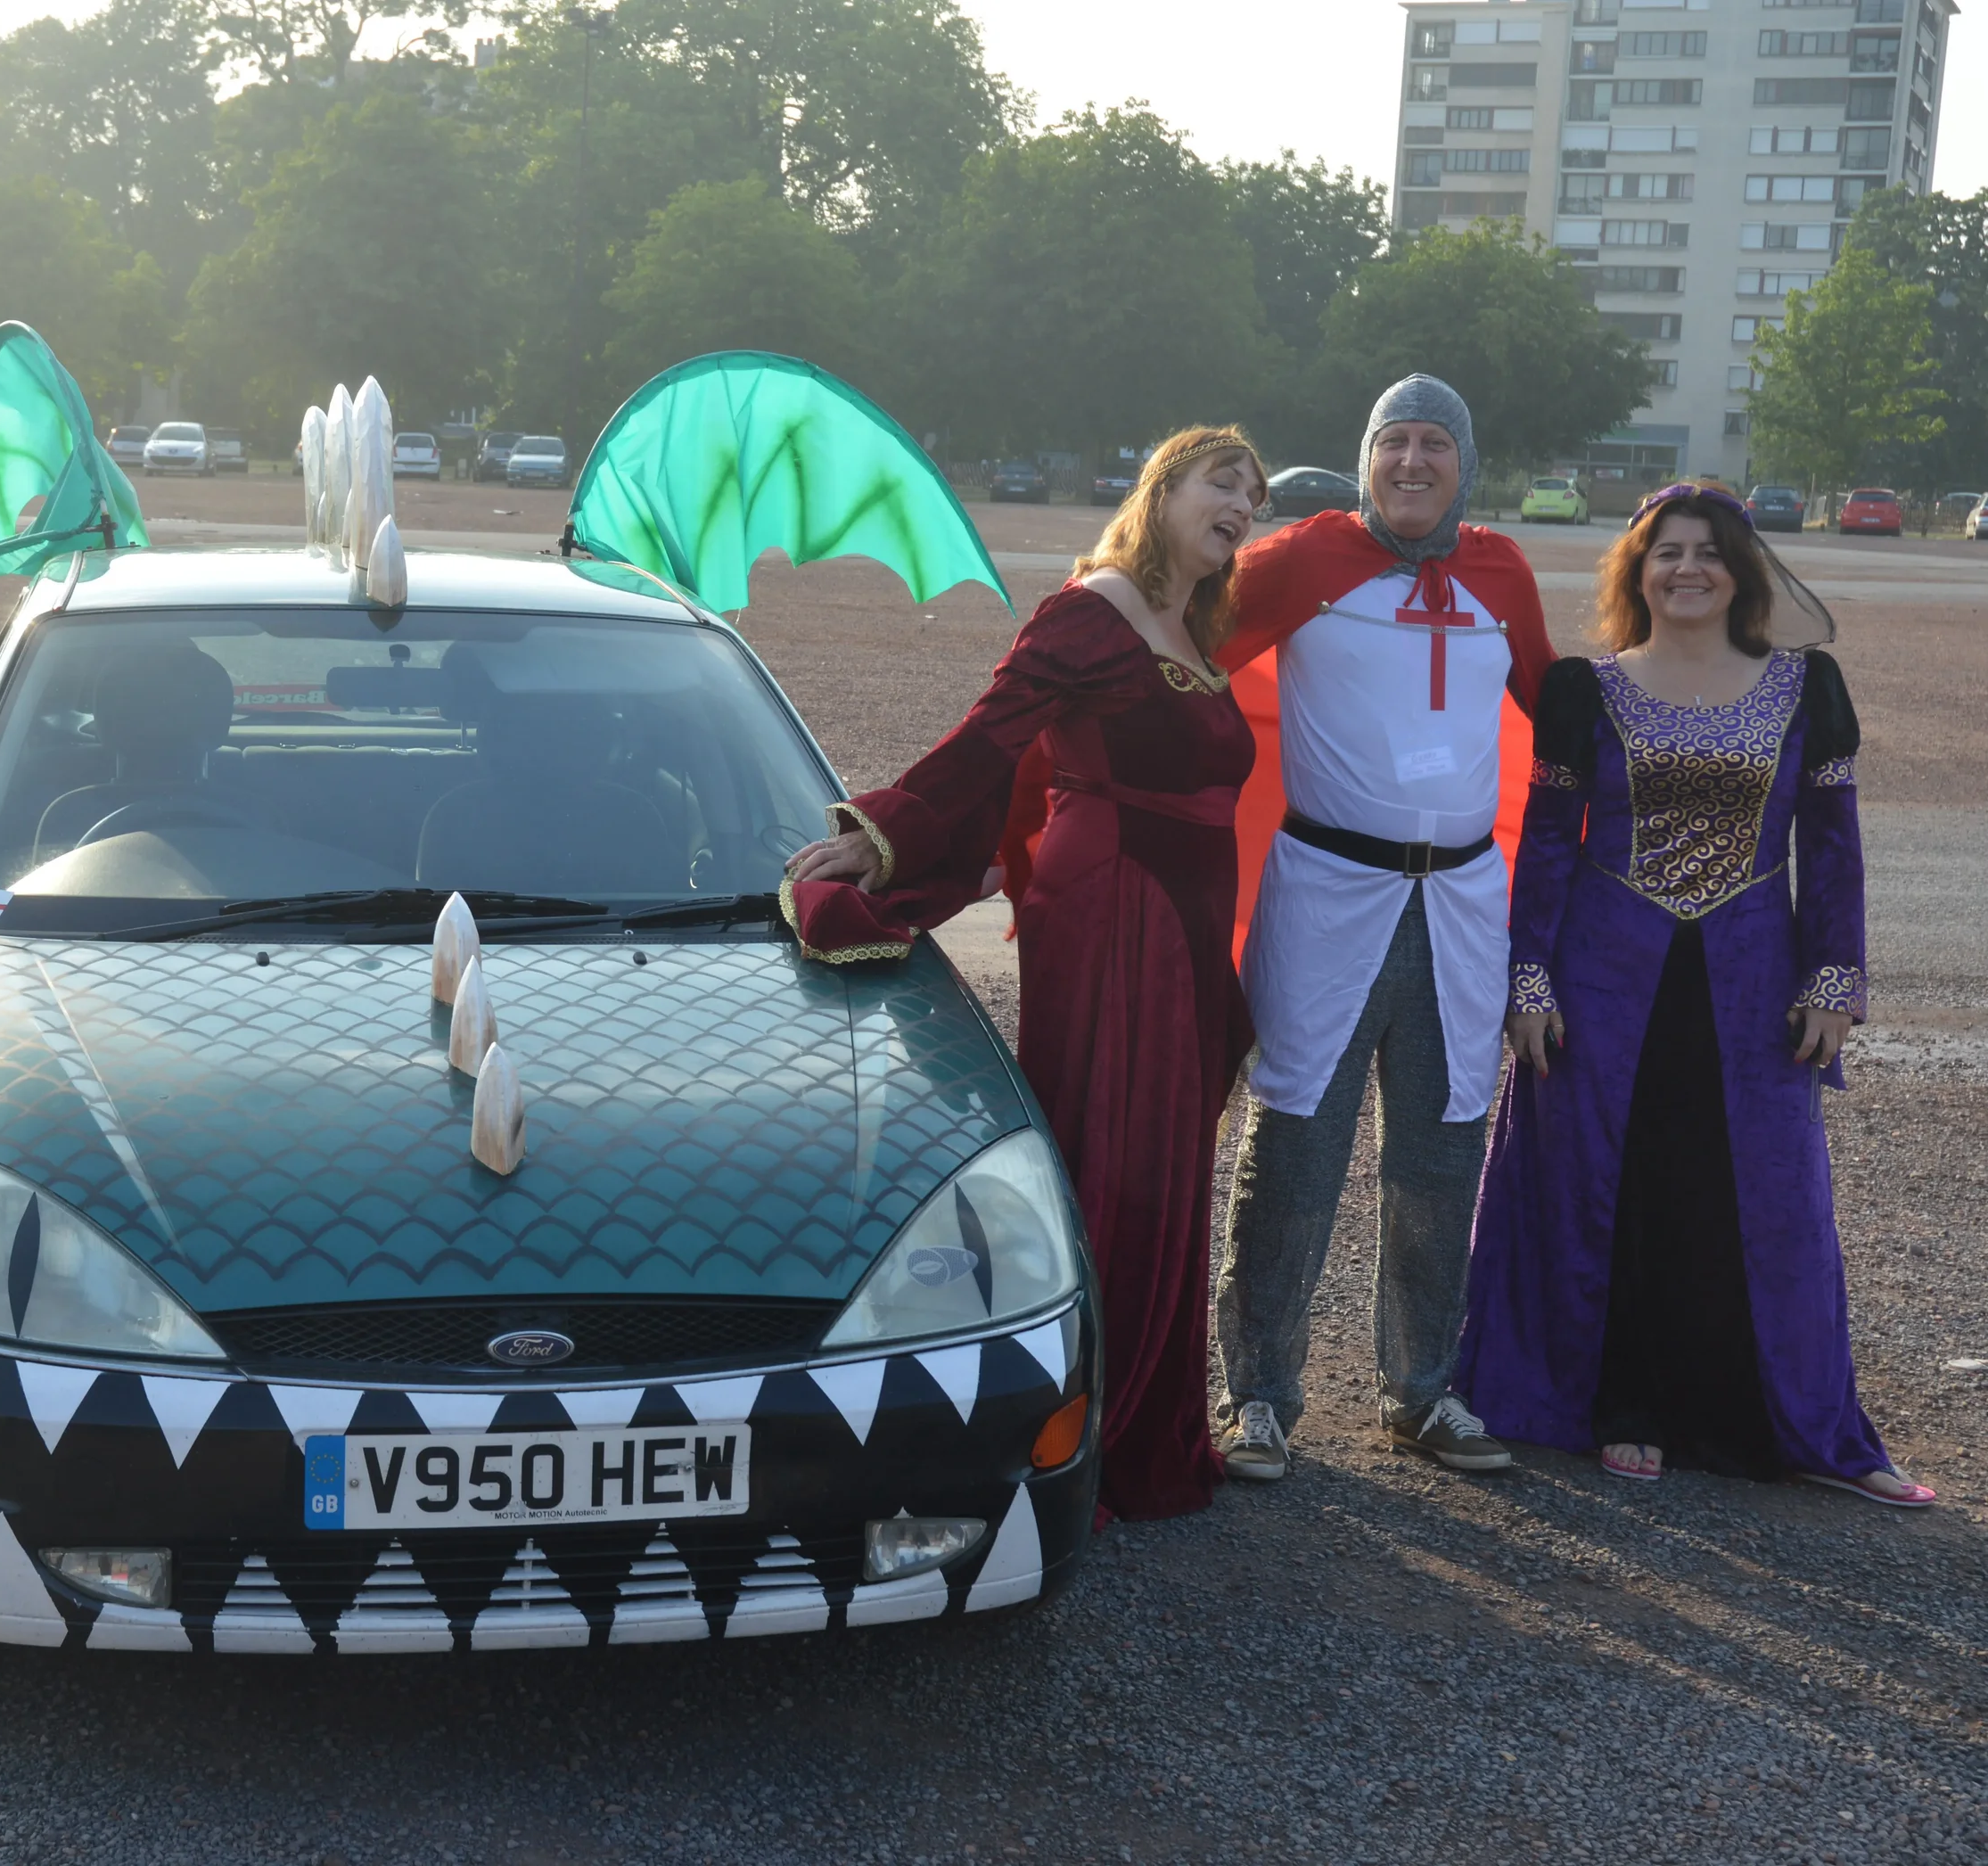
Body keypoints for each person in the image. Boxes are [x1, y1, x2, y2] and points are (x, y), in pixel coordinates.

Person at [784, 427, 1268, 1520]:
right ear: (1162, 491)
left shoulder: (1189, 628)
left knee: (1168, 1164)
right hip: (1115, 912)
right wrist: (884, 835)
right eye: (1220, 480)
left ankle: (1151, 1425)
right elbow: (987, 736)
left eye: (1255, 493)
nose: (1241, 501)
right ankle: (1074, 1429)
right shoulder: (1092, 609)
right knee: (1116, 1157)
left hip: (1183, 926)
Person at [1457, 485, 1932, 1506]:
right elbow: (1545, 848)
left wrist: (1834, 977)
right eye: (1664, 551)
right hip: (1601, 970)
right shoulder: (1585, 689)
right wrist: (1527, 979)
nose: (1685, 568)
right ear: (1635, 568)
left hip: (1753, 970)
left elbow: (1833, 849)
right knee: (1609, 1183)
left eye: (1707, 552)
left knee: (1755, 1191)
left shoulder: (1808, 687)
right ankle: (1621, 1405)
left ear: (1740, 569)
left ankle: (1769, 1418)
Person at [1207, 376, 1557, 1480]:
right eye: (1391, 442)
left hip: (1459, 901)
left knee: (1439, 1151)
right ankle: (1257, 1392)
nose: (1411, 461)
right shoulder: (1303, 560)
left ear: (1464, 463)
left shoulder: (1500, 570)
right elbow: (1167, 646)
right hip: (1328, 889)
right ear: (1364, 458)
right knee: (1295, 1146)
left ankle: (1422, 1389)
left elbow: (1564, 711)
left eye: (1432, 445)